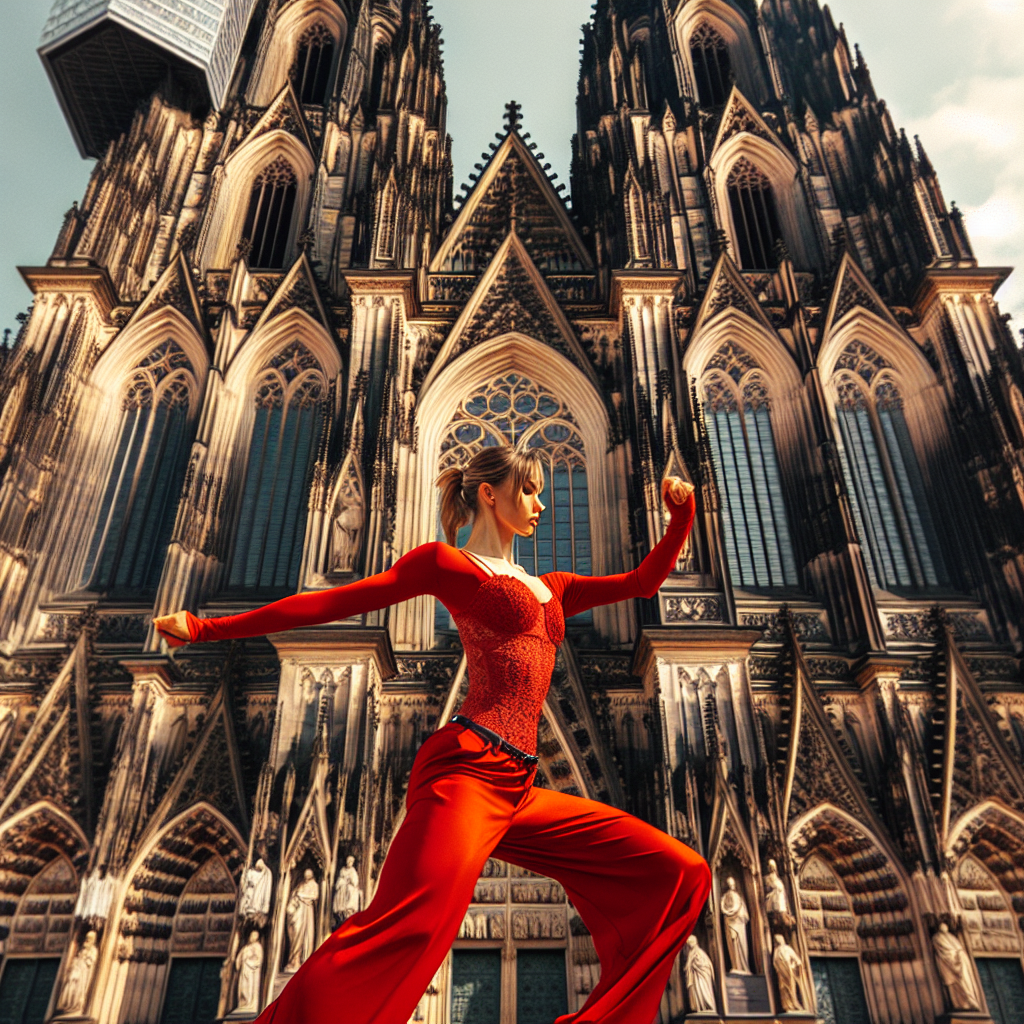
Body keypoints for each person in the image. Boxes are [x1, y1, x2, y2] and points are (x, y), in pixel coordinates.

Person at [155, 444, 711, 1024]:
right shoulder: (446, 566)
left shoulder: (556, 587)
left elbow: (647, 582)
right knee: (407, 927)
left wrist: (681, 518)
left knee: (678, 872)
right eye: (529, 490)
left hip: (519, 786)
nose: (541, 503)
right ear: (489, 495)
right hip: (468, 771)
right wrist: (203, 627)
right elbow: (332, 602)